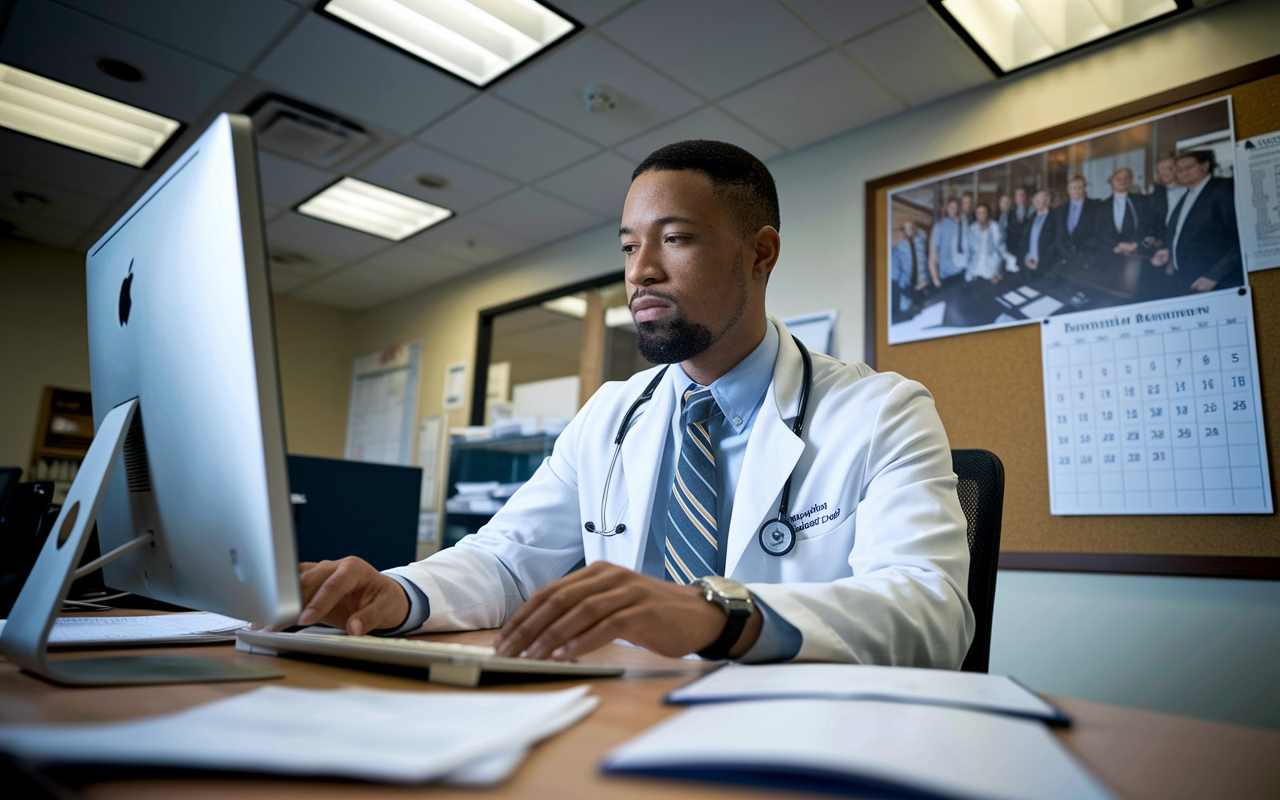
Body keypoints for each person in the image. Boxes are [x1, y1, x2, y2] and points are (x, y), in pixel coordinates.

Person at [297, 140, 974, 668]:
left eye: (674, 239)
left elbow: (931, 612)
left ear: (761, 254)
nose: (639, 269)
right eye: (629, 245)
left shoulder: (882, 410)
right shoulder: (609, 415)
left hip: (792, 736)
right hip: (617, 715)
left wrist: (719, 614)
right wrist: (400, 593)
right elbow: (507, 561)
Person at [1150, 150, 1243, 293]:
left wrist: (1214, 275)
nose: (1183, 172)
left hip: (1216, 281)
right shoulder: (1188, 193)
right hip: (1188, 278)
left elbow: (1240, 239)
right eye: (1179, 169)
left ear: (1204, 166)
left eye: (1188, 167)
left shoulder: (1223, 188)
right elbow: (1181, 230)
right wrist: (1168, 251)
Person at [1055, 175, 1099, 270]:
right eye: (1074, 188)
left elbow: (1097, 231)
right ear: (1068, 190)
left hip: (1088, 258)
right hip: (1065, 257)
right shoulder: (1060, 209)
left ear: (1085, 188)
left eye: (1080, 187)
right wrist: (1064, 252)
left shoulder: (1095, 206)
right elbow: (1059, 234)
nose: (1077, 190)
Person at [964, 203, 1014, 284]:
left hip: (991, 273)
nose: (981, 215)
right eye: (979, 213)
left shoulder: (995, 227)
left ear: (988, 214)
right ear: (976, 215)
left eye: (984, 212)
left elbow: (1001, 249)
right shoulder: (972, 229)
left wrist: (998, 271)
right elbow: (968, 252)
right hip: (974, 272)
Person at [928, 198, 968, 289]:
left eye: (955, 208)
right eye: (951, 207)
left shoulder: (962, 224)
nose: (953, 210)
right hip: (945, 274)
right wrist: (935, 278)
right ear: (947, 208)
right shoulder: (939, 226)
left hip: (961, 272)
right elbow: (933, 253)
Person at [1146, 155, 1186, 248]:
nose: (1165, 172)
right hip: (1163, 241)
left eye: (1170, 168)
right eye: (1162, 169)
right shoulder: (1155, 194)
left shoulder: (1187, 190)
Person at [1021, 190, 1060, 272]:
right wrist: (1026, 258)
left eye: (1040, 200)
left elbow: (1057, 241)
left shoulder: (1056, 217)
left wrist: (1042, 262)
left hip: (1047, 266)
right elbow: (1025, 239)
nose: (1036, 202)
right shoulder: (1032, 217)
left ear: (1047, 201)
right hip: (1029, 263)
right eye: (1035, 200)